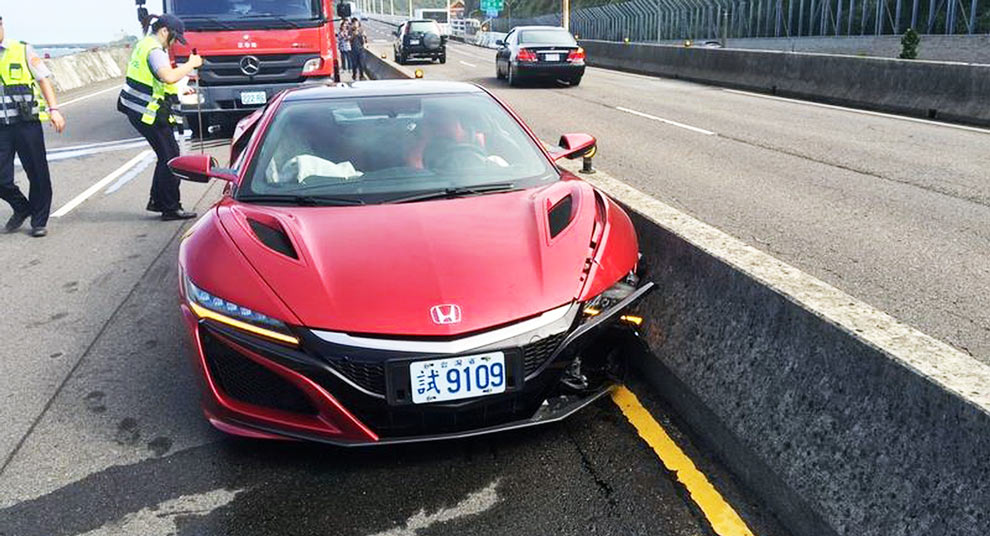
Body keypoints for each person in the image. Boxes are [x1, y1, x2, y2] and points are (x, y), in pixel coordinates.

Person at [117, 13, 202, 221]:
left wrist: (179, 89)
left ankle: (159, 201)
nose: (174, 44)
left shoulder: (145, 44)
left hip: (136, 108)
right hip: (146, 112)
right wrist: (191, 64)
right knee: (171, 157)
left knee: (166, 155)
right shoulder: (155, 50)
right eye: (174, 38)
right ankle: (170, 207)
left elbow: (161, 80)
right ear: (165, 31)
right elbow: (168, 75)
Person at [0, 15, 66, 238]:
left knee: (37, 173)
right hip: (1, 128)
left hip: (26, 124)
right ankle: (22, 207)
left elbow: (43, 80)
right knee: (2, 179)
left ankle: (39, 220)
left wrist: (53, 109)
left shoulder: (22, 49)